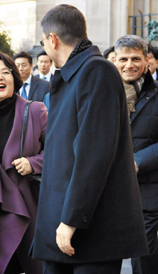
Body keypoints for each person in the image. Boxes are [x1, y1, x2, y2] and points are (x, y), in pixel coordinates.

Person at [31, 5, 148, 273]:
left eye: (43, 41)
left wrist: (71, 219)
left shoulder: (97, 71)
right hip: (64, 228)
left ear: (52, 39)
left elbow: (93, 154)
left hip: (88, 231)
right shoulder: (76, 74)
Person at [0, 51, 46, 274]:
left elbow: (60, 152)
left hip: (28, 208)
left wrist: (34, 163)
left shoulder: (35, 110)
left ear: (15, 78)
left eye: (6, 72)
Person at [111, 35, 158, 274]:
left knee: (143, 262)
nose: (129, 64)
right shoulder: (104, 95)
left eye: (135, 59)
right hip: (107, 193)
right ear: (115, 61)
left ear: (147, 60)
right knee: (106, 260)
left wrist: (138, 161)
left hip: (146, 193)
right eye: (123, 59)